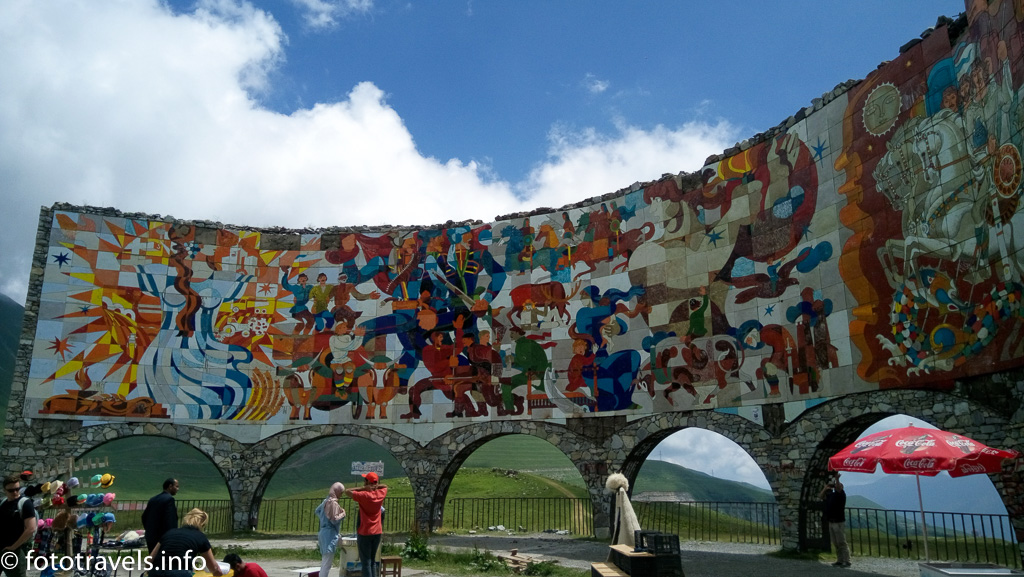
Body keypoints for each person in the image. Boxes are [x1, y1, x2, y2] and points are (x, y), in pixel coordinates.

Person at [148, 508, 222, 577]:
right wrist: (218, 573)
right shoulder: (200, 537)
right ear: (202, 524)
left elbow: (149, 560)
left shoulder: (169, 533)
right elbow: (213, 567)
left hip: (156, 572)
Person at [344, 473, 388, 577]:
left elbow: (347, 491)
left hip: (365, 531)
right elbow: (385, 486)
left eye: (365, 480)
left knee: (366, 562)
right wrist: (375, 486)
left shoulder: (364, 495)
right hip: (377, 531)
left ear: (367, 482)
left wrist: (363, 488)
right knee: (372, 561)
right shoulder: (381, 493)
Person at [0, 474, 37, 577]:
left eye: (17, 489)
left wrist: (13, 547)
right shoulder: (3, 503)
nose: (15, 492)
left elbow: (31, 528)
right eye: (11, 490)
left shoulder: (25, 503)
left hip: (15, 550)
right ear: (4, 490)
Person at [820, 472, 850, 568]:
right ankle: (840, 560)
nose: (837, 486)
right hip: (831, 522)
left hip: (838, 522)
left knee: (841, 542)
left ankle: (846, 560)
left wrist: (837, 479)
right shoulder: (832, 495)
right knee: (836, 542)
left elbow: (838, 487)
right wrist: (825, 488)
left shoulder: (841, 495)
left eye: (839, 486)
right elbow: (821, 496)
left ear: (841, 488)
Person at [316, 483, 347, 577]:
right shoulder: (333, 503)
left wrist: (324, 519)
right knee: (327, 563)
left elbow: (317, 511)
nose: (341, 495)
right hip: (329, 534)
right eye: (341, 493)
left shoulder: (325, 501)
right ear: (337, 491)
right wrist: (343, 514)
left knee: (325, 561)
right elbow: (334, 520)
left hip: (323, 532)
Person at [142, 478, 179, 553]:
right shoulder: (169, 500)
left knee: (153, 558)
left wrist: (149, 529)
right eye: (176, 486)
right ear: (170, 486)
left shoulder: (153, 499)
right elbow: (170, 521)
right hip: (163, 538)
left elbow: (144, 517)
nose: (178, 489)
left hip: (150, 536)